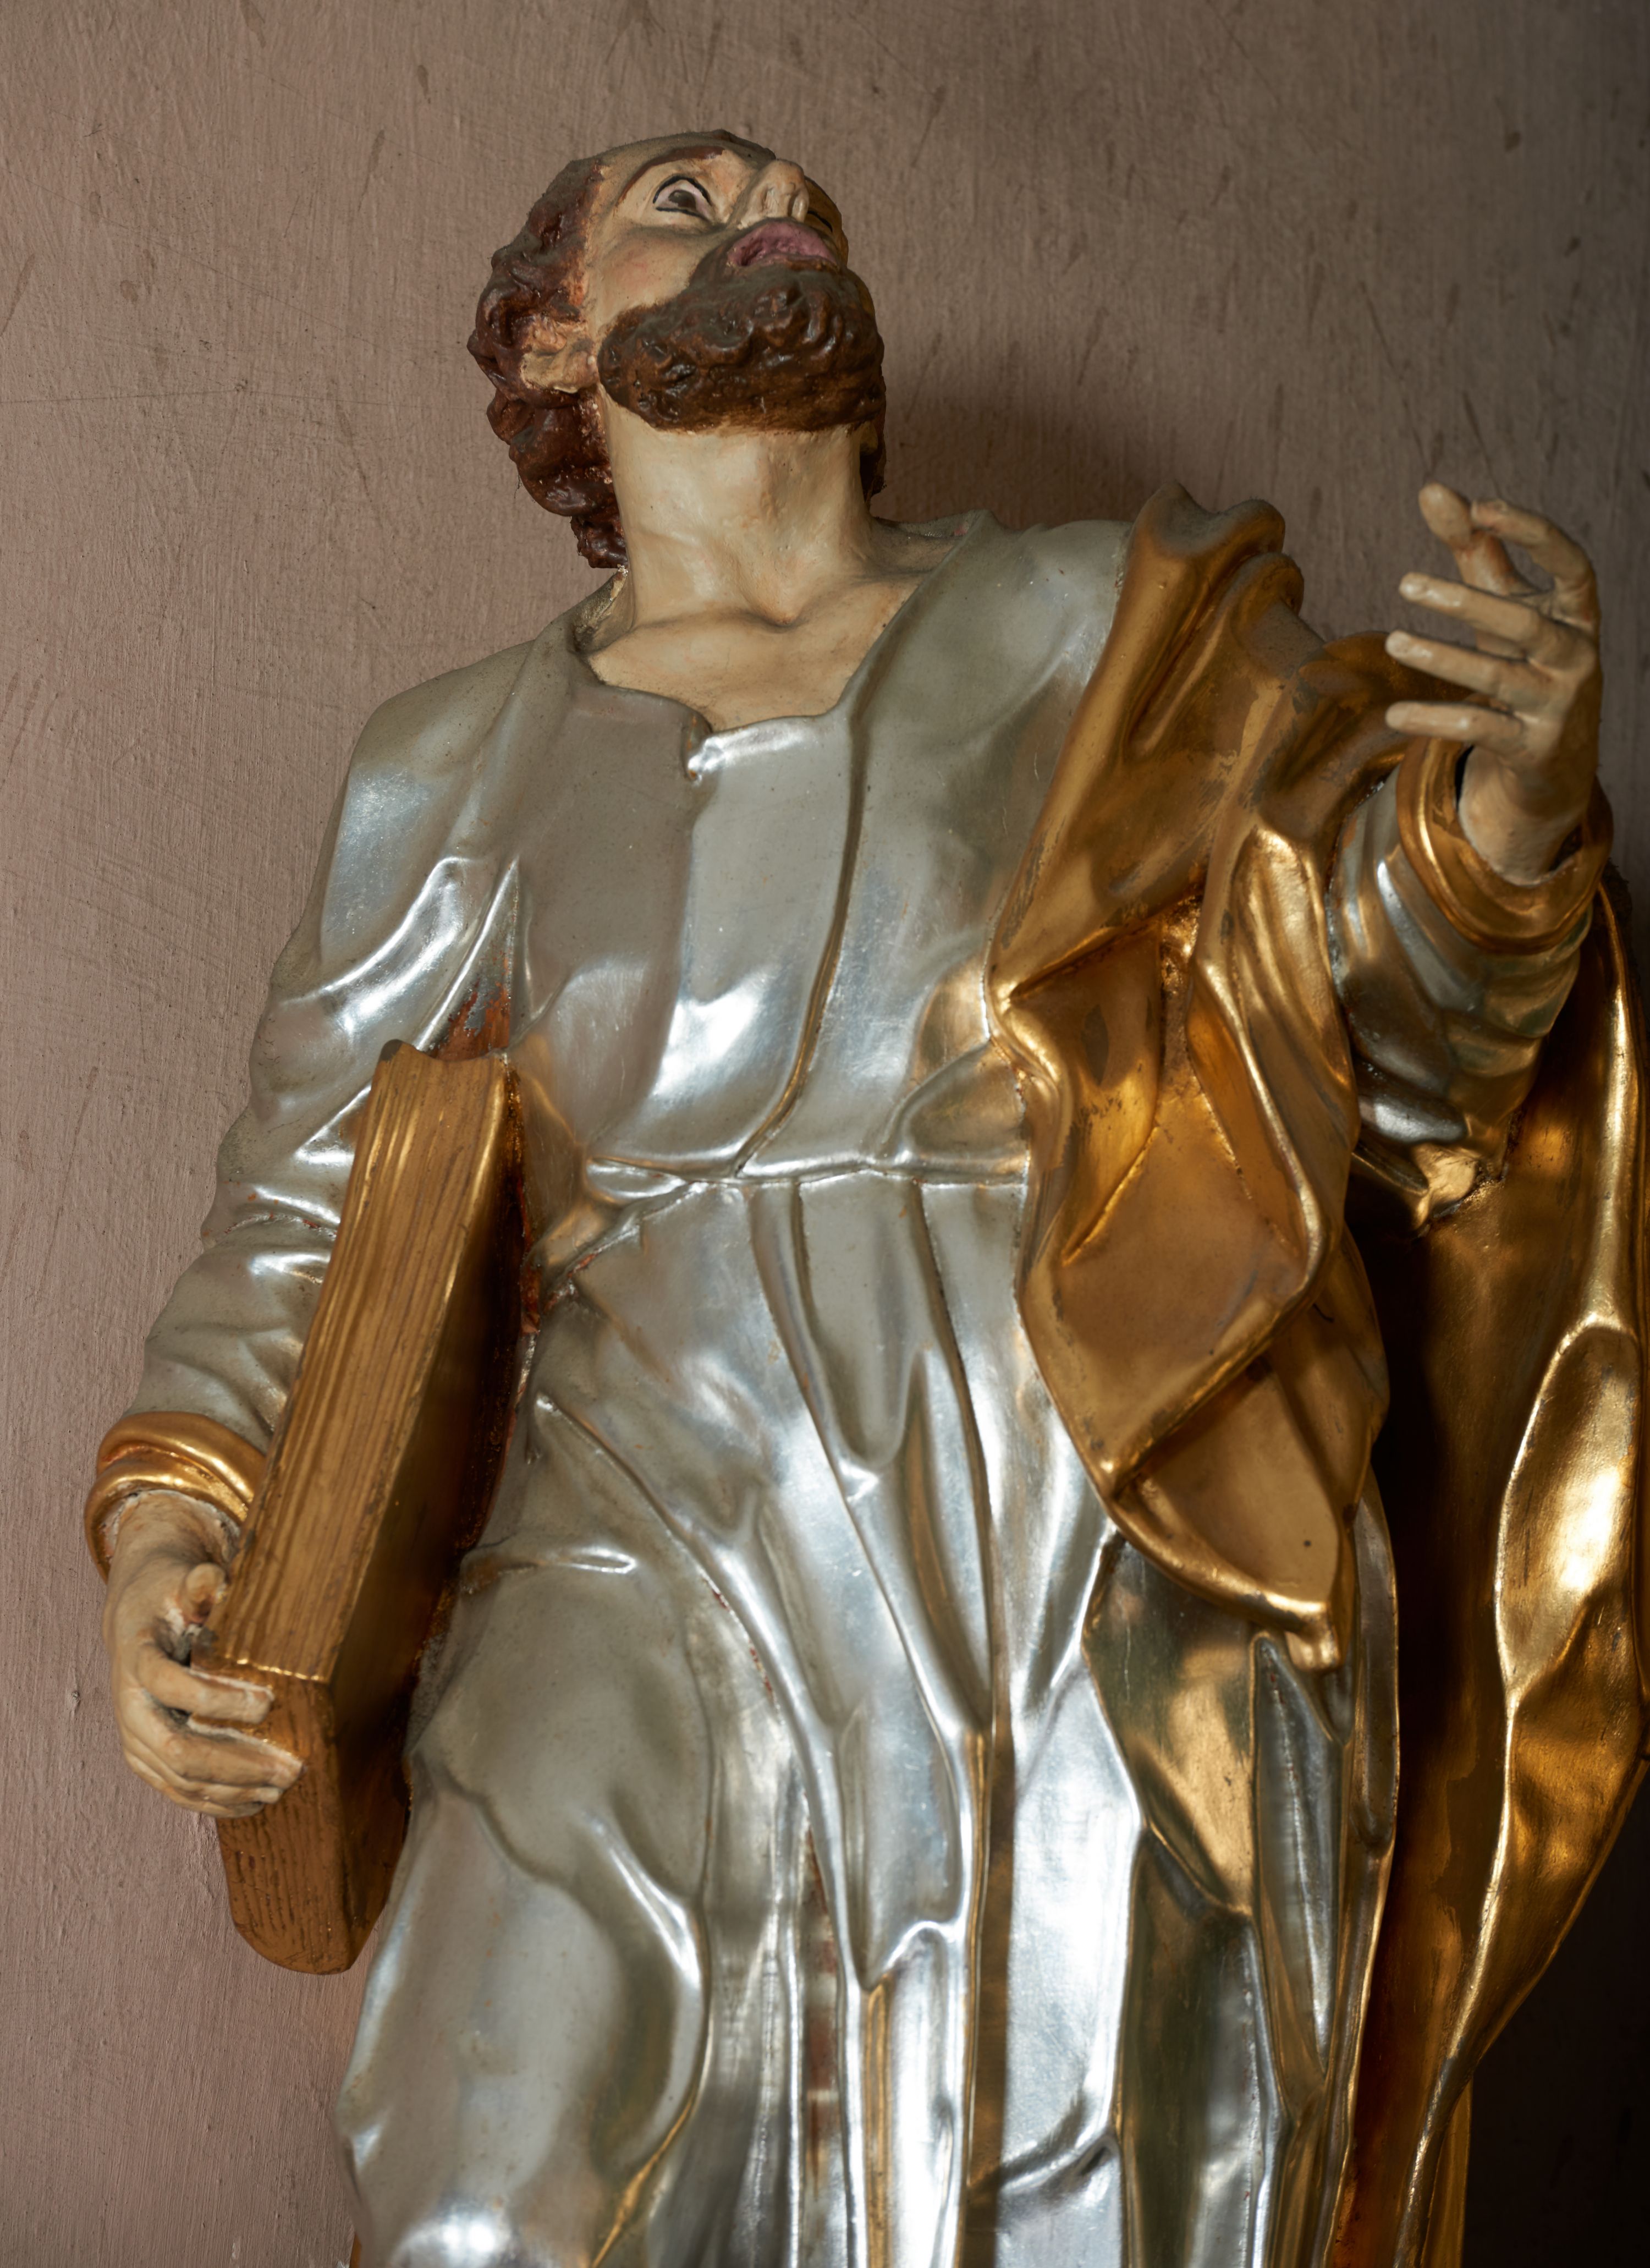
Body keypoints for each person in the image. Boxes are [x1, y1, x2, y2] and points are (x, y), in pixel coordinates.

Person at [88, 133, 1645, 2268]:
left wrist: (1505, 814)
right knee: (485, 2189)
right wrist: (175, 1526)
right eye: (685, 198)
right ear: (556, 343)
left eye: (794, 198)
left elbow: (1369, 1042)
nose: (767, 210)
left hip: (1077, 1532)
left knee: (1083, 2199)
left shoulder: (1107, 633)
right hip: (632, 1543)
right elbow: (298, 1209)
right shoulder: (451, 766)